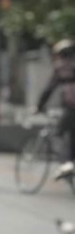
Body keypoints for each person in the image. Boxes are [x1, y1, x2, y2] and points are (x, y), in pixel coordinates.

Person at [36, 39, 75, 181]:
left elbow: (49, 88)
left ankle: (66, 163)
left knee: (57, 134)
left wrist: (39, 106)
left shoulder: (61, 67)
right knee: (71, 135)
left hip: (71, 107)